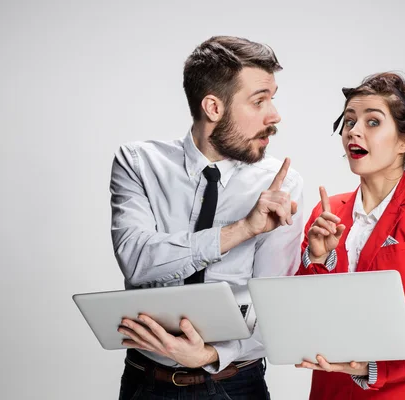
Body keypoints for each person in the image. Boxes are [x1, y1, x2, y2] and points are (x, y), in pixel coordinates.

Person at [109, 35, 304, 399]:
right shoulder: (138, 163)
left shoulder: (283, 184)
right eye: (259, 100)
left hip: (236, 384)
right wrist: (242, 229)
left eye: (272, 99)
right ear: (213, 107)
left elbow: (274, 306)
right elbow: (137, 259)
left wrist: (211, 354)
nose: (274, 115)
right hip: (146, 383)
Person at [296, 72, 405, 399]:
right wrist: (316, 257)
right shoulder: (326, 214)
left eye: (372, 122)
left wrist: (369, 367)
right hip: (331, 391)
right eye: (349, 121)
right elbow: (303, 316)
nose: (354, 131)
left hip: (404, 392)